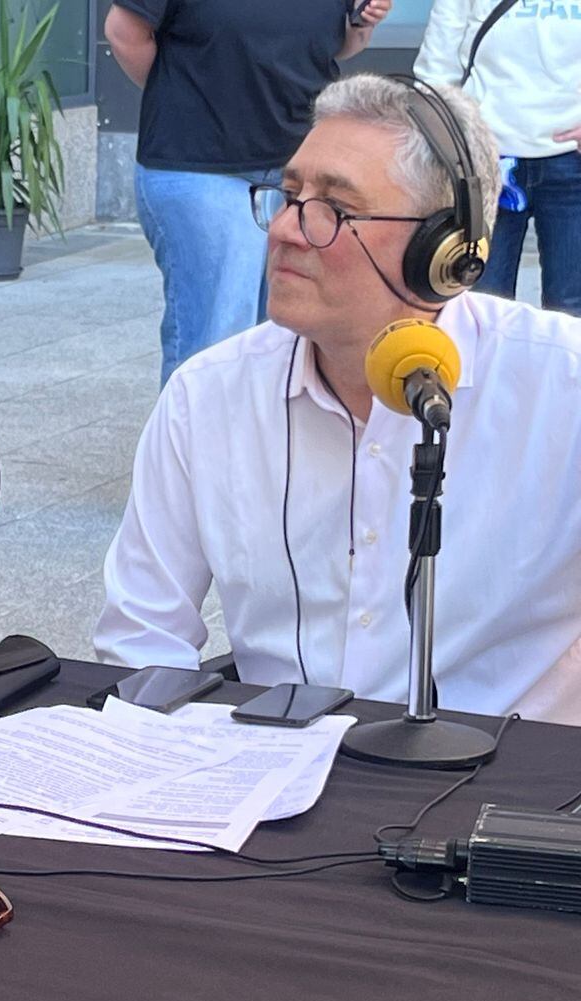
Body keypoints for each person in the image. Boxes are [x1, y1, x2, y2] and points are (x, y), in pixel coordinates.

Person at [94, 75, 581, 724]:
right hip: (270, 780)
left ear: (444, 252)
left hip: (503, 790)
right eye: (290, 195)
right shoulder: (205, 397)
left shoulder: (564, 383)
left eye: (335, 209)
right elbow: (140, 641)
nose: (288, 231)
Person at [105, 0, 392, 388]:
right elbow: (123, 33)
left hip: (296, 172)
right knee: (217, 339)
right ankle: (196, 447)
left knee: (282, 338)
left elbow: (335, 44)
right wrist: (186, 96)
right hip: (201, 163)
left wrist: (362, 25)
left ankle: (257, 447)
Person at [416, 0, 581, 317]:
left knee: (571, 307)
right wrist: (454, 140)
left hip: (571, 162)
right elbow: (436, 70)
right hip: (486, 164)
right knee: (480, 304)